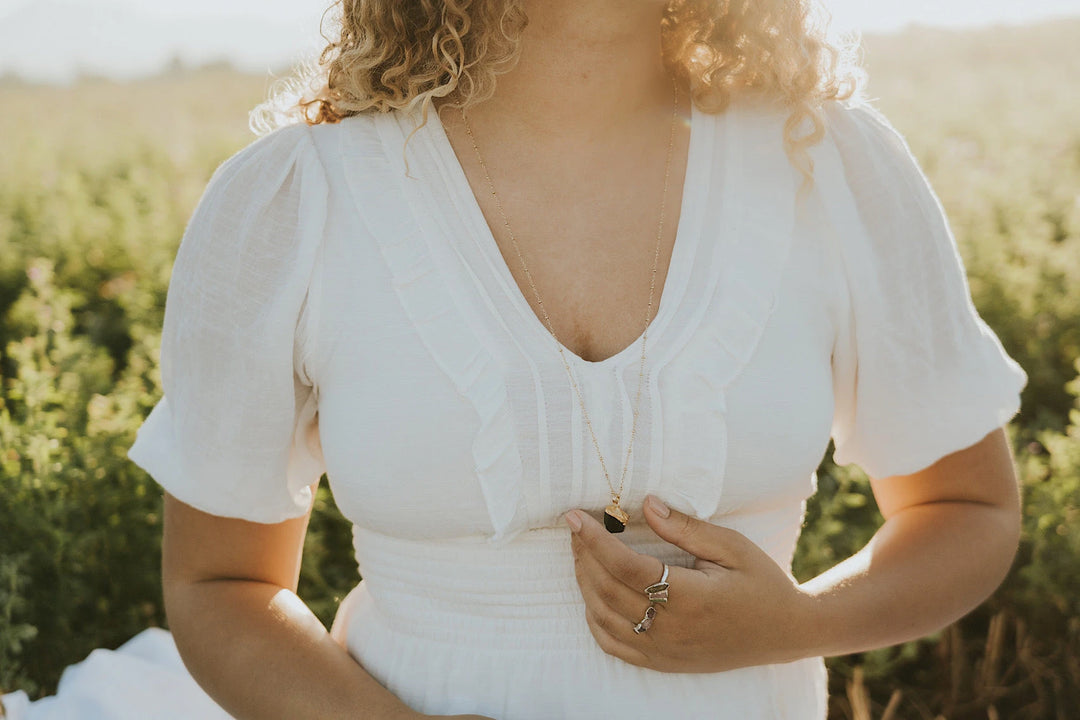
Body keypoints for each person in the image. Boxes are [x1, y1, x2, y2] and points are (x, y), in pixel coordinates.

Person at [2, 0, 1028, 718]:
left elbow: (969, 510)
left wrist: (795, 624)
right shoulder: (292, 200)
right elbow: (219, 585)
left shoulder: (830, 163)